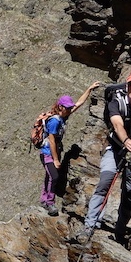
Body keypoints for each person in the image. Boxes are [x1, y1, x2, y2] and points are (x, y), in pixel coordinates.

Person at [77, 71, 131, 243]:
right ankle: (89, 225)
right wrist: (126, 141)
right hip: (117, 148)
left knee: (130, 192)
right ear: (127, 86)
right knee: (105, 182)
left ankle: (119, 231)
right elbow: (117, 124)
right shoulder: (116, 101)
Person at [40, 81, 101, 216]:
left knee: (49, 176)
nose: (69, 109)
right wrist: (55, 159)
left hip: (54, 151)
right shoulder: (55, 120)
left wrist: (89, 89)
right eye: (67, 108)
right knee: (54, 176)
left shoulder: (63, 116)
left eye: (69, 108)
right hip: (48, 153)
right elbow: (51, 140)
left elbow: (78, 104)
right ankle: (49, 203)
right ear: (60, 107)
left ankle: (44, 199)